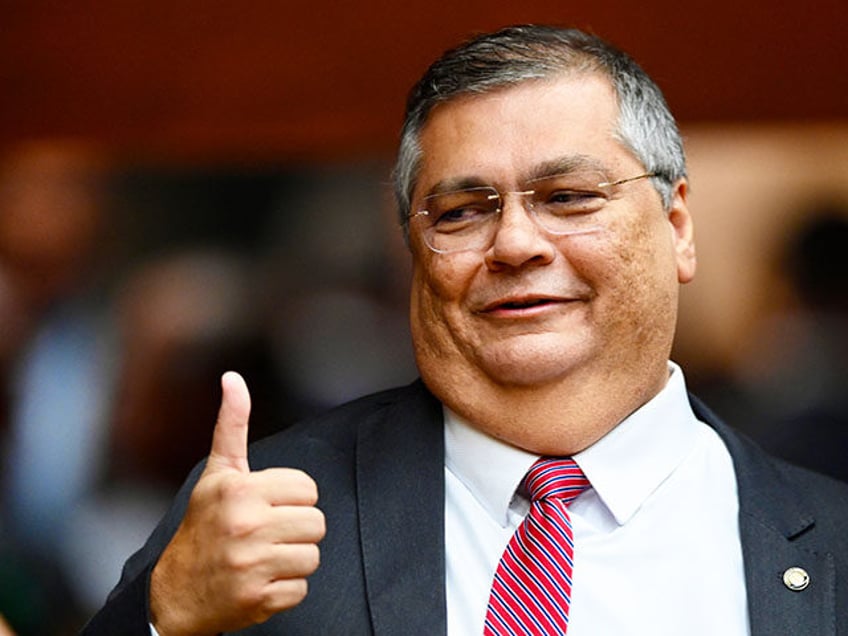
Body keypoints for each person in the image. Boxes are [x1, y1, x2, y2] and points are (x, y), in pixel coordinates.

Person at [81, 25, 848, 635]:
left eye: (569, 196)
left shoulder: (829, 545)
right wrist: (161, 620)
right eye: (462, 211)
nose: (515, 243)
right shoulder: (265, 511)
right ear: (414, 252)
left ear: (678, 226)